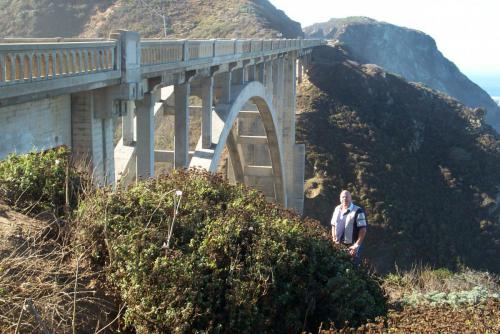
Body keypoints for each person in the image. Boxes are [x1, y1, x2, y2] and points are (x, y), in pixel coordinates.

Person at [330, 190, 367, 265]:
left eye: (347, 197)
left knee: (352, 267)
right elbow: (333, 225)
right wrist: (334, 239)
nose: (345, 199)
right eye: (343, 197)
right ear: (340, 199)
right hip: (338, 245)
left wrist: (356, 245)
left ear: (351, 198)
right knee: (339, 267)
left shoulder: (358, 211)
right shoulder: (337, 209)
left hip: (352, 246)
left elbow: (363, 229)